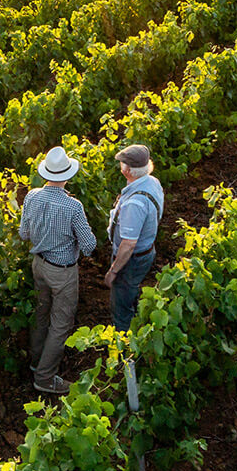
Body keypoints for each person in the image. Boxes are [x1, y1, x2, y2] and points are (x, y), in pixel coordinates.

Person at [18, 146, 97, 395]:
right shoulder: (73, 207)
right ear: (68, 175)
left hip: (38, 266)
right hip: (62, 272)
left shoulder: (31, 196)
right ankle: (45, 377)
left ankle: (35, 362)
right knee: (60, 323)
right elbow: (89, 246)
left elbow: (24, 233)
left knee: (42, 314)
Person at [103, 144, 163, 331]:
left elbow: (128, 244)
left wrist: (113, 271)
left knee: (121, 306)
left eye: (122, 164)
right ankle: (135, 317)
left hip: (132, 259)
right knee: (131, 290)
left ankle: (126, 353)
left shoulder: (135, 203)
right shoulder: (151, 182)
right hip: (146, 251)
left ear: (127, 170)